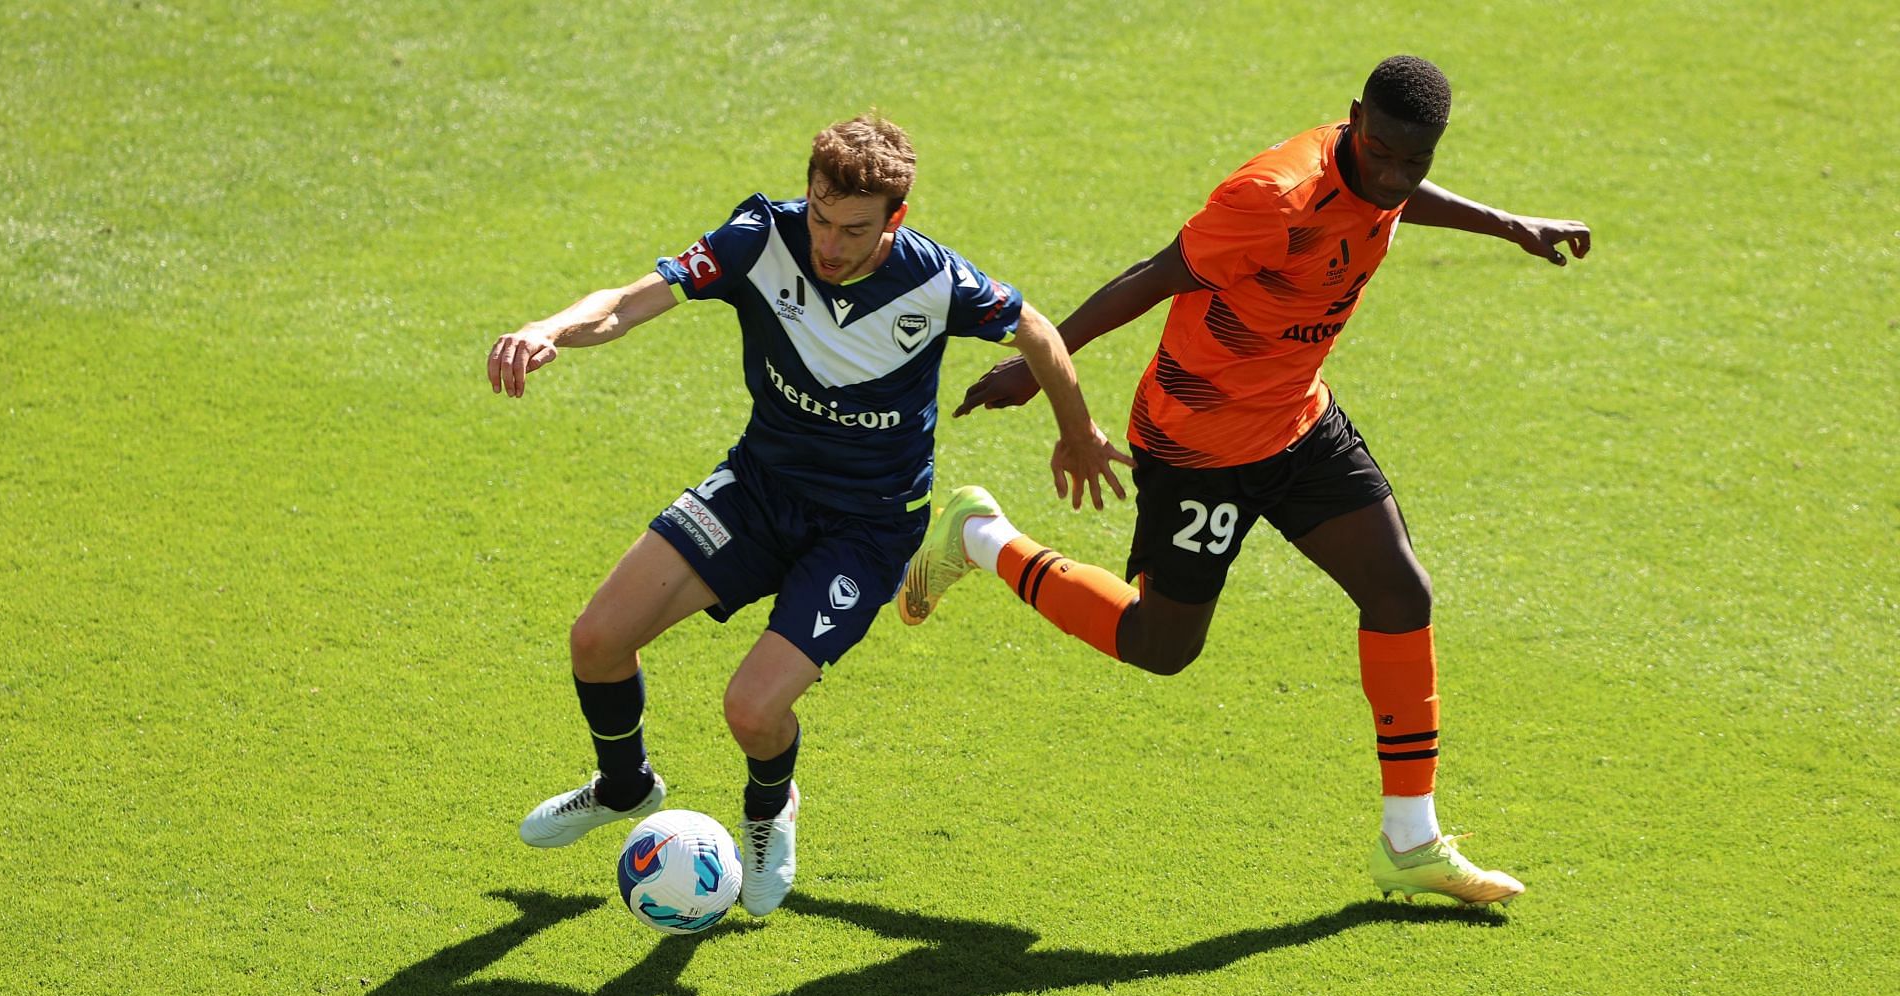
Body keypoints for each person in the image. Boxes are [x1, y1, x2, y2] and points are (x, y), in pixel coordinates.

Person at [896, 57, 1591, 906]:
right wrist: (1041, 369)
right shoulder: (1274, 199)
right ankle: (980, 535)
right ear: (1351, 122)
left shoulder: (1386, 173)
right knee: (1162, 646)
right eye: (1382, 156)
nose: (1396, 178)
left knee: (1401, 592)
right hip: (1201, 445)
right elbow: (1153, 277)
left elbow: (1396, 195)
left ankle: (1409, 841)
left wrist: (1509, 223)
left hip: (1299, 423)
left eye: (1417, 162)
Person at [486, 113, 1128, 916]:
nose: (828, 243)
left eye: (853, 229)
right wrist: (546, 330)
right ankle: (625, 787)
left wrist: (1078, 432)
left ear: (895, 219)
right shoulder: (762, 236)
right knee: (597, 641)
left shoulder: (936, 283)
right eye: (820, 216)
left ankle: (769, 810)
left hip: (866, 527)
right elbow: (629, 302)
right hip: (758, 490)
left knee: (752, 711)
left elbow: (1034, 329)